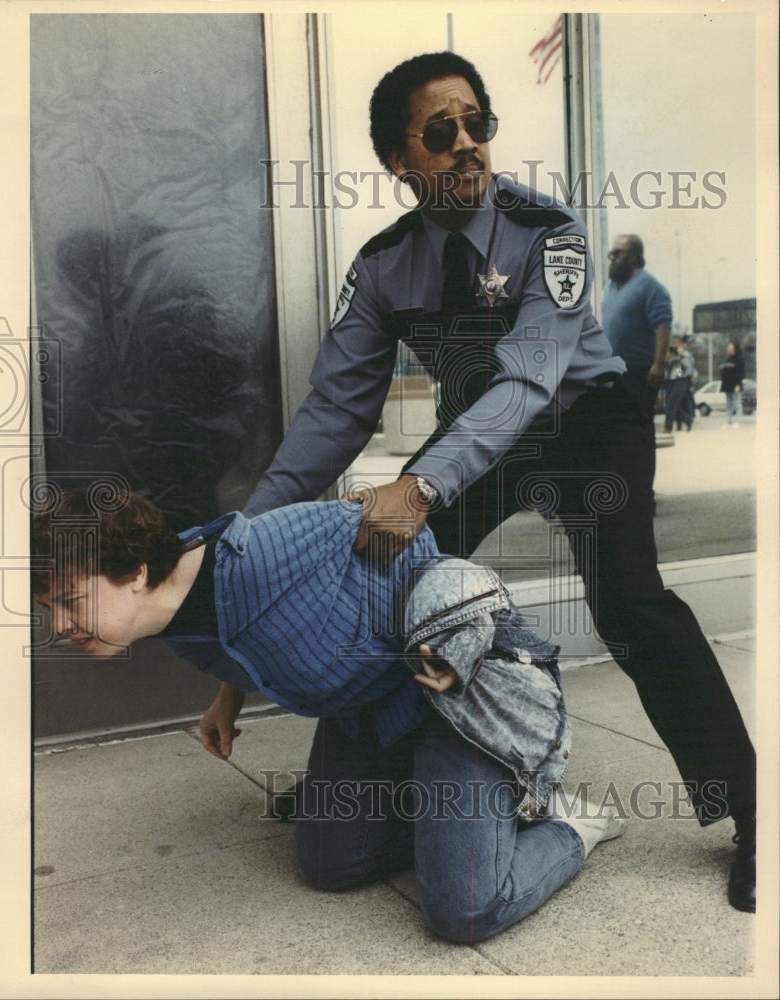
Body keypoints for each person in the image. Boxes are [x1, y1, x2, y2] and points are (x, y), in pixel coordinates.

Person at [228, 51, 755, 913]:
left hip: (582, 420)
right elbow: (332, 416)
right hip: (480, 438)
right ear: (400, 163)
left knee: (629, 602)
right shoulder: (382, 268)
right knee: (378, 574)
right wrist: (244, 539)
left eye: (479, 123)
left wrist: (420, 487)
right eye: (442, 132)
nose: (469, 144)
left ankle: (752, 808)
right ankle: (364, 783)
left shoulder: (547, 231)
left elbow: (528, 381)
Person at [32, 485, 624, 943]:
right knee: (328, 862)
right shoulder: (163, 608)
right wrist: (226, 696)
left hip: (462, 692)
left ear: (135, 573)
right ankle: (455, 821)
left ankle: (568, 824)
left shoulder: (263, 553)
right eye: (50, 608)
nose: (60, 625)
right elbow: (228, 635)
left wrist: (441, 642)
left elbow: (414, 541)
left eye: (69, 601)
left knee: (465, 912)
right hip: (375, 705)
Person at [601, 233, 672, 428]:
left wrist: (659, 364)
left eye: (618, 253)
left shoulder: (650, 286)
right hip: (613, 373)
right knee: (618, 434)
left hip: (640, 373)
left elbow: (663, 326)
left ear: (633, 256)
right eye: (611, 253)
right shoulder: (609, 287)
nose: (612, 257)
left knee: (639, 431)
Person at [663, 342, 695, 433]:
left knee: (671, 405)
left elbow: (682, 371)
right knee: (672, 406)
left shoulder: (679, 360)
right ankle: (687, 419)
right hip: (669, 384)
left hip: (678, 383)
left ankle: (668, 427)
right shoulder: (667, 361)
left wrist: (682, 353)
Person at [720, 340, 745, 427]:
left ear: (735, 349)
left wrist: (738, 384)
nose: (728, 349)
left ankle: (738, 421)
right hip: (728, 385)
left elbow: (741, 373)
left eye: (730, 347)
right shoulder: (727, 359)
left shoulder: (739, 359)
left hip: (736, 385)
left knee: (737, 403)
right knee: (729, 404)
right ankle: (729, 421)